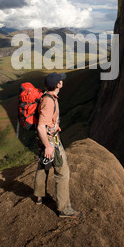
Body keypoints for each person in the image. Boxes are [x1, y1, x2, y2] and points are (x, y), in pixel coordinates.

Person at [33, 72, 82, 219]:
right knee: (62, 172)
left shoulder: (47, 96)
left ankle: (39, 195)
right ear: (58, 84)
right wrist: (48, 145)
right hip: (50, 140)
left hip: (45, 138)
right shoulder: (49, 101)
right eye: (60, 80)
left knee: (44, 164)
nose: (62, 81)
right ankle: (64, 208)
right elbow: (41, 126)